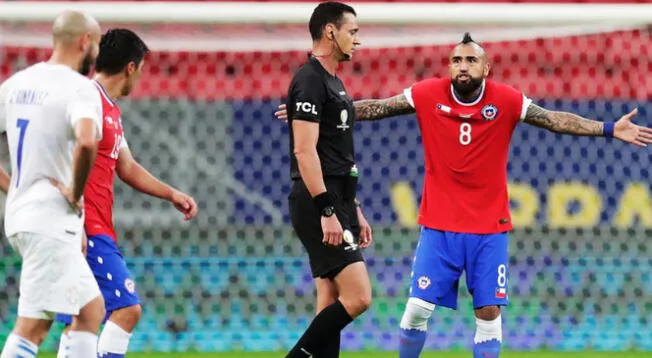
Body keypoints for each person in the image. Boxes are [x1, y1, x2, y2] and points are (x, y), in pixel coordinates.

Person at [276, 33, 652, 357]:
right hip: (439, 226)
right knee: (416, 310)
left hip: (489, 229)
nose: (462, 65)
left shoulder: (506, 100)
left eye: (471, 59)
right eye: (456, 59)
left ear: (486, 68)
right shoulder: (427, 93)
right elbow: (377, 107)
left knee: (488, 314)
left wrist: (607, 128)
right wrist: (319, 112)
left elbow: (554, 119)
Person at [46, 28, 199, 358]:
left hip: (94, 225)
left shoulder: (108, 108)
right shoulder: (86, 99)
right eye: (141, 70)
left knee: (81, 318)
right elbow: (61, 155)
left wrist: (171, 193)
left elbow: (126, 166)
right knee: (127, 309)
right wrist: (77, 213)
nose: (140, 78)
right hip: (85, 226)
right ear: (131, 67)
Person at [0, 10, 106, 358]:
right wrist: (74, 195)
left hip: (23, 214)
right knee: (34, 327)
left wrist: (14, 186)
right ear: (84, 42)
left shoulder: (17, 83)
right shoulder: (79, 88)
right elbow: (87, 141)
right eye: (98, 43)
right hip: (50, 220)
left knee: (90, 310)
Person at [283, 2, 375, 357]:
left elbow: (336, 155)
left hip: (338, 199)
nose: (357, 40)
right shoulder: (309, 79)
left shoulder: (332, 83)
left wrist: (354, 209)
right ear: (330, 31)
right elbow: (305, 153)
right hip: (318, 200)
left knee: (330, 299)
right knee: (359, 296)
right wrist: (327, 210)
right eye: (352, 31)